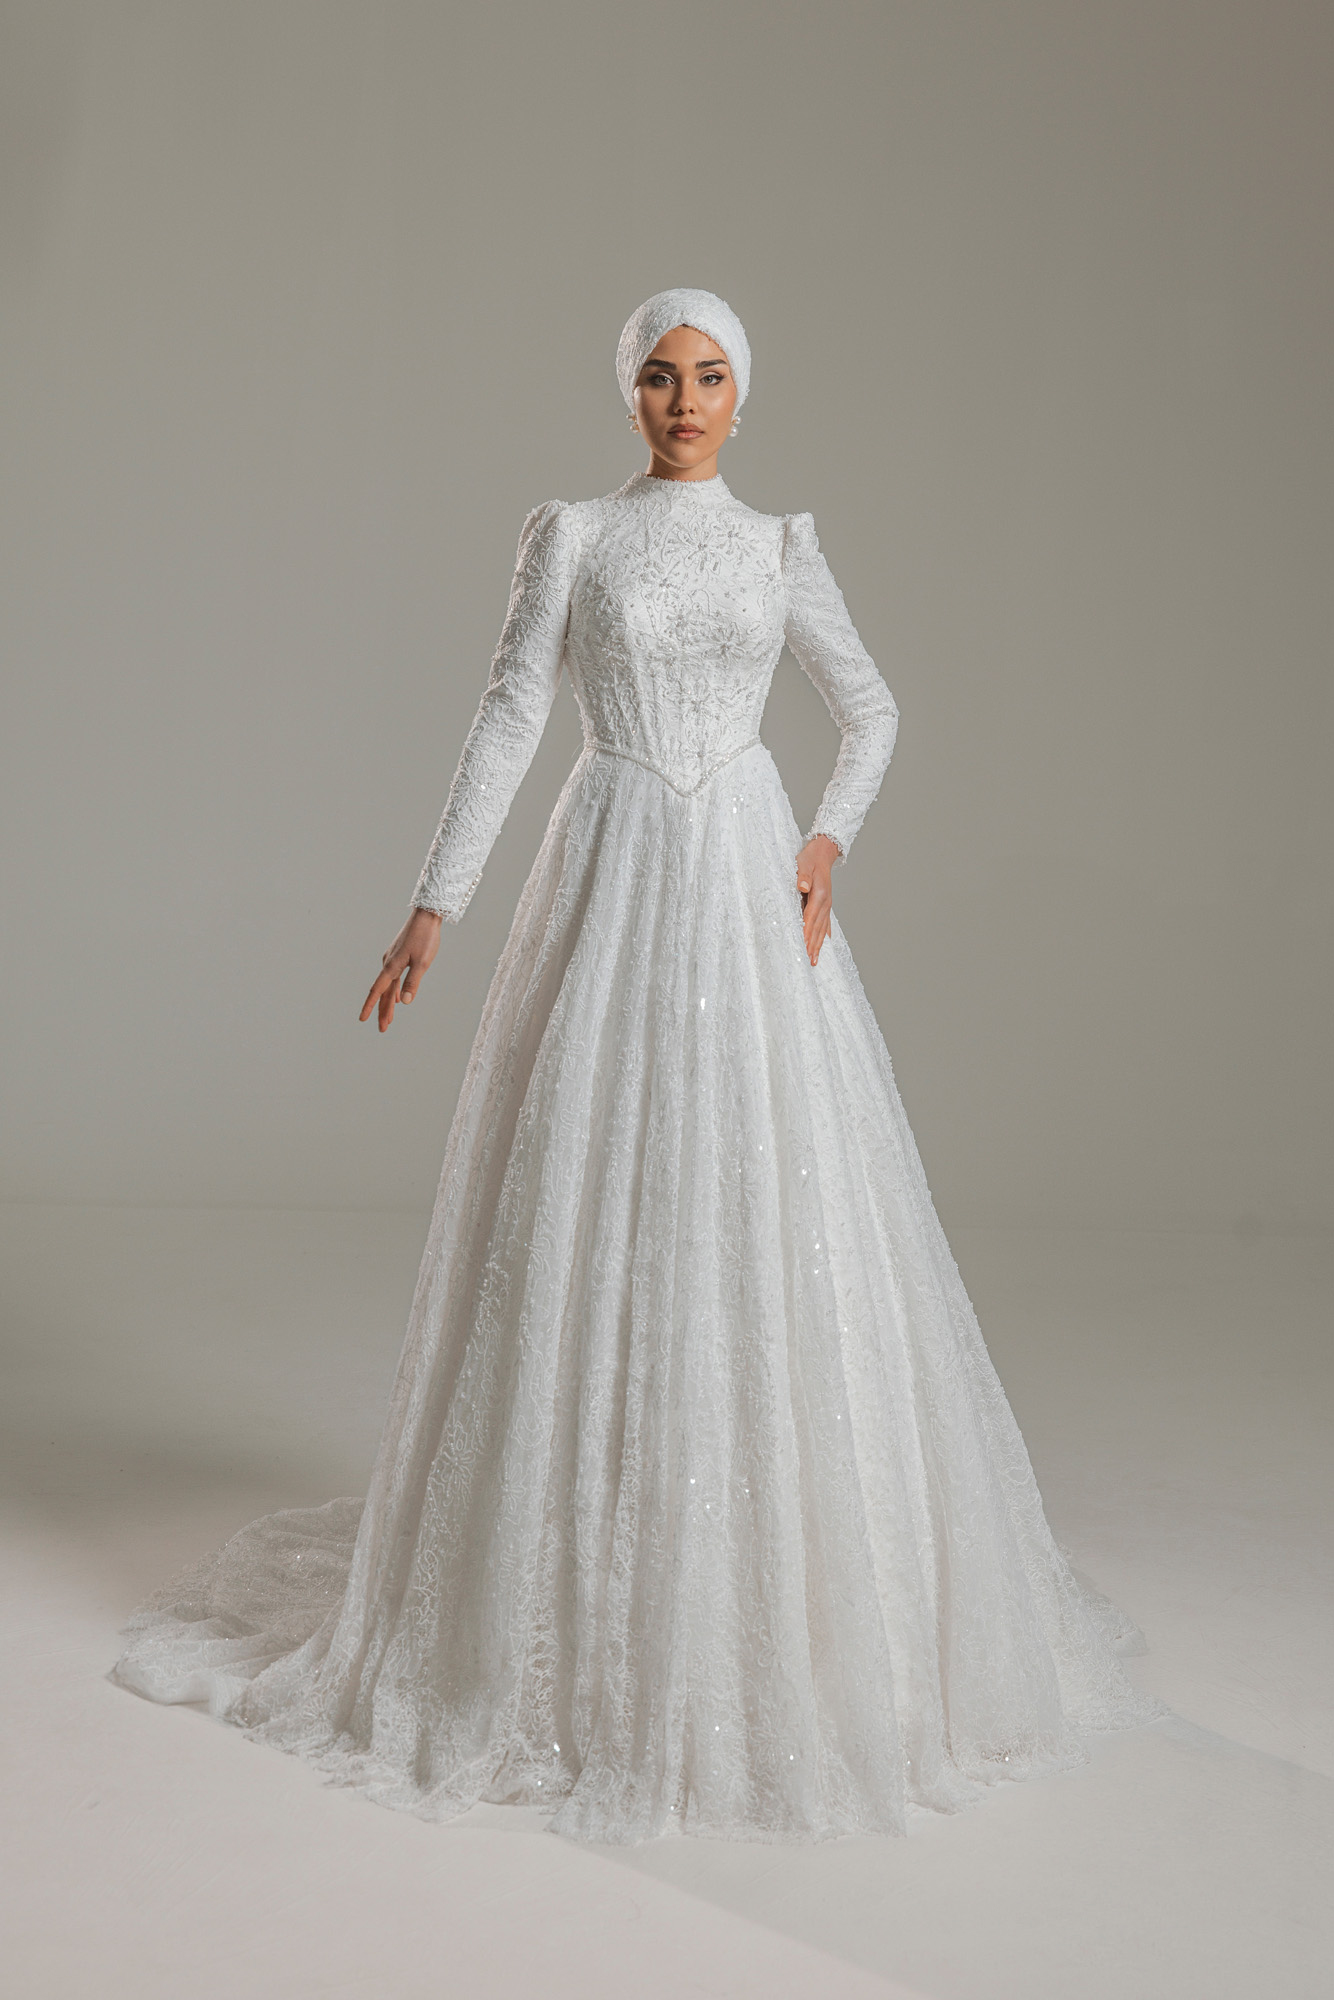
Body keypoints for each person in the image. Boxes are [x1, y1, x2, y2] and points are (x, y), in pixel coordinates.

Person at [110, 287, 1161, 1845]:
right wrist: (435, 903)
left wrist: (823, 843)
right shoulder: (577, 539)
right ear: (628, 394)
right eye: (659, 377)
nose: (683, 401)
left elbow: (869, 713)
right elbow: (507, 716)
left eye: (709, 376)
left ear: (743, 393)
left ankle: (758, 1579)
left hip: (742, 879)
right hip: (604, 868)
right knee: (583, 1196)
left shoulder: (780, 546)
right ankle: (559, 1587)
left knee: (762, 1194)